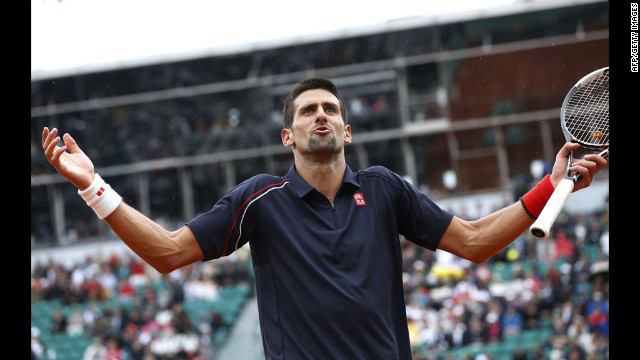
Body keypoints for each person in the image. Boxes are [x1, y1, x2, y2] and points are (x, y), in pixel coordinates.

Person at [41, 77, 609, 359]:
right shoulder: (259, 199)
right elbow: (168, 253)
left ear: (347, 130)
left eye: (331, 110)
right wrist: (93, 186)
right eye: (309, 110)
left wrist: (552, 184)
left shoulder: (385, 189)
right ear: (288, 135)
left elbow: (477, 242)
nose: (322, 116)